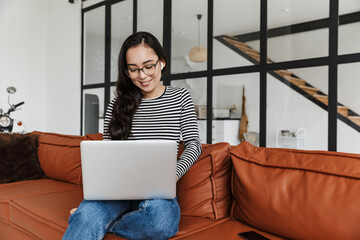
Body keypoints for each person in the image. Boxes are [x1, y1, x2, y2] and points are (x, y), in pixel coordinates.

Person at [62, 31, 202, 240]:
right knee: (86, 219)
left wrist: (172, 175)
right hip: (116, 188)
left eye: (148, 66)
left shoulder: (180, 96)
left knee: (161, 222)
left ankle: (110, 224)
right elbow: (107, 150)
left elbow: (193, 144)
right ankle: (92, 217)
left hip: (157, 191)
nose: (143, 76)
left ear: (161, 62)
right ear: (126, 71)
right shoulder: (116, 103)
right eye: (134, 69)